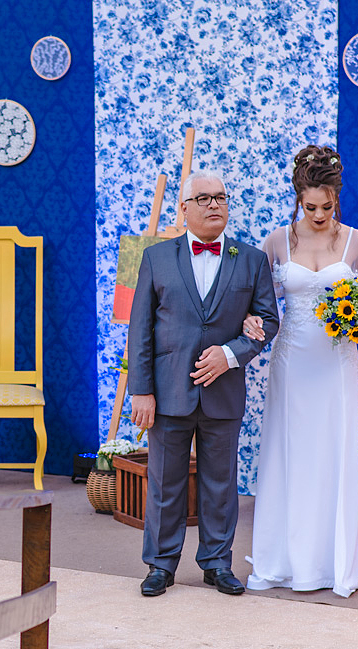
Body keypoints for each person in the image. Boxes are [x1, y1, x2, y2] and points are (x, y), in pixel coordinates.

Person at [128, 170, 280, 597]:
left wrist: (230, 354)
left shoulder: (250, 259)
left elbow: (268, 322)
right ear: (185, 208)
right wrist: (142, 391)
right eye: (205, 198)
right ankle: (160, 564)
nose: (215, 205)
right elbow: (141, 329)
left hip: (223, 393)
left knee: (220, 484)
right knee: (164, 483)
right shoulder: (155, 257)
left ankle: (216, 563)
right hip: (168, 391)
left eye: (221, 198)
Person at [245, 145, 358, 598]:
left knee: (332, 457)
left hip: (336, 366)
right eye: (309, 207)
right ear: (298, 199)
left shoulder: (356, 242)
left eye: (327, 207)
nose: (318, 215)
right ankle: (285, 560)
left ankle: (329, 563)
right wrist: (251, 321)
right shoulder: (277, 241)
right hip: (292, 362)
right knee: (289, 455)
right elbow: (259, 301)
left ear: (337, 199)